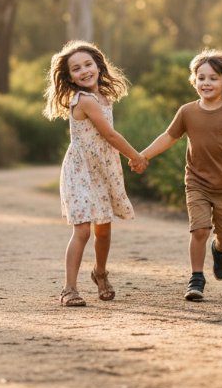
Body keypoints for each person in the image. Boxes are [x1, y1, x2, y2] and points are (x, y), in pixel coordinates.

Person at [136, 49, 222, 301]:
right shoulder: (187, 111)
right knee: (199, 230)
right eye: (201, 77)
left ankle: (219, 250)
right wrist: (143, 155)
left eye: (213, 78)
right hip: (196, 182)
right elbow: (169, 136)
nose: (206, 83)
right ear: (194, 81)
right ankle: (196, 277)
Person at [44, 40, 147, 307]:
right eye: (76, 68)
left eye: (88, 64)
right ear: (69, 77)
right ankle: (69, 288)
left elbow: (106, 139)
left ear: (99, 66)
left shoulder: (103, 97)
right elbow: (109, 134)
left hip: (102, 169)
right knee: (82, 231)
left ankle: (100, 273)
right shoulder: (85, 100)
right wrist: (135, 156)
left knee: (103, 230)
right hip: (80, 172)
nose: (84, 71)